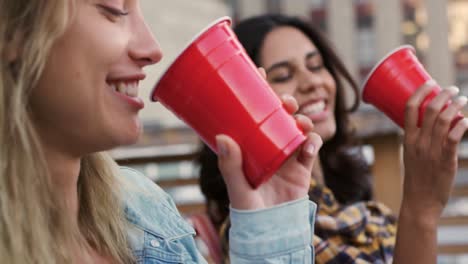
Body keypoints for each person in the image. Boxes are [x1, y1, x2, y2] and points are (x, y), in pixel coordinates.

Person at [1, 1, 323, 263]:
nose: (151, 49)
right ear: (12, 34)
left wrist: (269, 221)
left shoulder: (145, 209)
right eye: (114, 10)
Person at [199, 14, 468, 263]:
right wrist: (421, 208)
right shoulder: (259, 230)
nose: (311, 82)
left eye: (316, 66)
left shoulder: (362, 213)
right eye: (283, 76)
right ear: (242, 103)